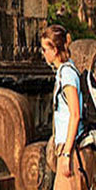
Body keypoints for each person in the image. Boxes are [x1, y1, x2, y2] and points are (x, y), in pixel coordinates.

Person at [41, 25, 95, 189]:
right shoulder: (65, 71)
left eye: (45, 49)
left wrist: (66, 153)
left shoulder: (67, 74)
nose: (43, 53)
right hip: (72, 150)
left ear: (55, 50)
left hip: (73, 151)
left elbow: (75, 114)